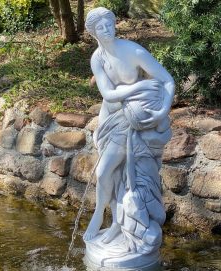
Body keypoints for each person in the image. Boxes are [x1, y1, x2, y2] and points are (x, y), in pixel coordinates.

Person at [83, 7, 175, 248]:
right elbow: (109, 94)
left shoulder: (133, 51)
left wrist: (163, 109)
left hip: (132, 123)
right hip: (108, 121)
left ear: (115, 24)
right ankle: (108, 218)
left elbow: (167, 80)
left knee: (111, 172)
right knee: (109, 174)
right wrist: (140, 88)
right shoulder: (98, 58)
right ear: (93, 33)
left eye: (109, 25)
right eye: (100, 28)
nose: (106, 31)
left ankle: (117, 223)